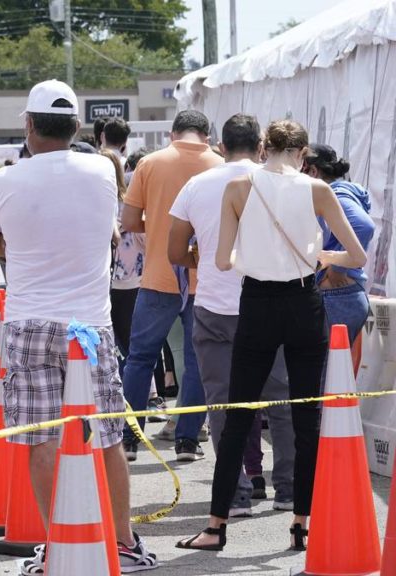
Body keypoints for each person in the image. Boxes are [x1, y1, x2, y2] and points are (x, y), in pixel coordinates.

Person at [0, 80, 158, 575]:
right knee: (106, 435)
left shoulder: (4, 179)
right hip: (89, 325)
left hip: (29, 321)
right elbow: (109, 228)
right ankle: (122, 542)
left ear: (29, 125)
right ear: (77, 126)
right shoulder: (103, 168)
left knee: (43, 438)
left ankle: (59, 544)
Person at [177, 119, 366, 552]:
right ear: (302, 154)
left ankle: (215, 525)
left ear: (265, 148)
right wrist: (318, 255)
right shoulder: (317, 190)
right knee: (305, 417)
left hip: (258, 303)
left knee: (238, 413)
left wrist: (255, 255)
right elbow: (356, 255)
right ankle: (301, 522)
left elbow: (222, 261)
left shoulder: (240, 188)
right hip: (304, 302)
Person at [167, 113, 297, 517]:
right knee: (283, 400)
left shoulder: (196, 186)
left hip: (215, 306)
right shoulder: (283, 183)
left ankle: (236, 493)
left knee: (223, 403)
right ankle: (290, 488)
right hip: (271, 303)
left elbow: (173, 251)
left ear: (220, 147)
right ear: (261, 146)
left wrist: (203, 257)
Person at [120, 109, 223, 461]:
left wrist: (163, 227)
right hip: (204, 279)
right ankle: (187, 441)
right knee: (196, 362)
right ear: (206, 136)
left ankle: (130, 439)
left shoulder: (150, 163)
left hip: (158, 276)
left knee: (140, 358)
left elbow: (130, 221)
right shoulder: (219, 165)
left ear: (172, 134)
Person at [302, 144, 375, 337]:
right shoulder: (341, 192)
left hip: (336, 296)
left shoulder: (335, 195)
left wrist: (338, 268)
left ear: (313, 171)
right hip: (341, 296)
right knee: (337, 365)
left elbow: (365, 226)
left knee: (325, 365)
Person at [106, 149, 144, 381]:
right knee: (127, 339)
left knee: (127, 339)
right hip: (125, 276)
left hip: (125, 279)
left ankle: (140, 390)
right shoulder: (126, 200)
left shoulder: (123, 202)